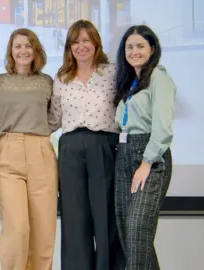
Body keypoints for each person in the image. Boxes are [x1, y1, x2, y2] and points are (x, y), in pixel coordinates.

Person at [48, 19, 122, 270]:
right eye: (75, 42)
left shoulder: (112, 72)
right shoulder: (61, 77)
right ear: (69, 47)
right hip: (69, 149)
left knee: (105, 216)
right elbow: (54, 119)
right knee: (74, 218)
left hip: (103, 145)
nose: (81, 46)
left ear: (96, 43)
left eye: (86, 40)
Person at [0, 28, 58, 270]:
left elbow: (56, 116)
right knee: (17, 229)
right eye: (17, 46)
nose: (23, 51)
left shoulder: (47, 82)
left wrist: (37, 133)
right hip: (8, 153)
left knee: (43, 231)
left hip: (41, 152)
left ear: (36, 50)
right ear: (10, 51)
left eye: (28, 46)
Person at [114, 25, 177, 270]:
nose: (134, 51)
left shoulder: (160, 79)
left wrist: (146, 163)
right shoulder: (131, 81)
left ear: (152, 48)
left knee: (138, 228)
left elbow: (162, 128)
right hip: (124, 154)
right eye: (130, 47)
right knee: (129, 234)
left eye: (140, 46)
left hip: (149, 157)